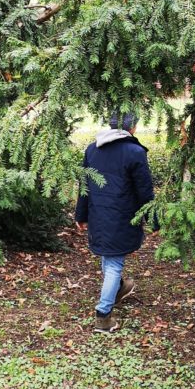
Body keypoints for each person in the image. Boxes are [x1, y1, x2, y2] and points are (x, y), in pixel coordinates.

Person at [75, 111, 155, 333]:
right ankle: (103, 316)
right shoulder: (135, 152)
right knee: (113, 264)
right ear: (133, 128)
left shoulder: (92, 149)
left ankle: (118, 288)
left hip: (99, 216)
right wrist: (154, 220)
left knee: (109, 259)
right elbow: (145, 190)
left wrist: (81, 215)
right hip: (122, 217)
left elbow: (84, 187)